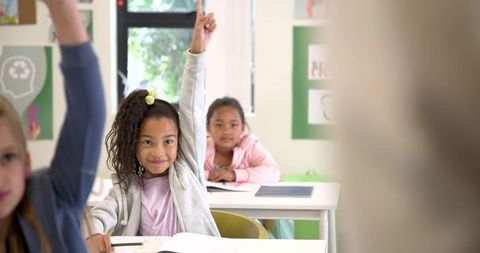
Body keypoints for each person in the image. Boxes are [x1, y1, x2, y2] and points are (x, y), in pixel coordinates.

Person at [86, 1, 218, 252]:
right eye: (148, 141)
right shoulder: (126, 187)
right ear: (133, 143)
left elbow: (192, 107)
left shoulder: (187, 168)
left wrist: (197, 51)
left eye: (168, 141)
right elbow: (99, 214)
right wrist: (92, 233)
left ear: (179, 140)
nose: (159, 152)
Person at [0, 0, 105, 252]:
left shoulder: (51, 200)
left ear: (26, 162)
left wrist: (62, 8)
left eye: (7, 157)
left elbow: (88, 111)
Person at [204, 96, 280, 183]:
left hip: (244, 197)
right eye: (219, 125)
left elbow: (273, 172)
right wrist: (208, 175)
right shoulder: (200, 148)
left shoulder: (250, 146)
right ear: (208, 127)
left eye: (233, 125)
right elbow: (185, 173)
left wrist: (234, 175)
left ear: (242, 127)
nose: (226, 131)